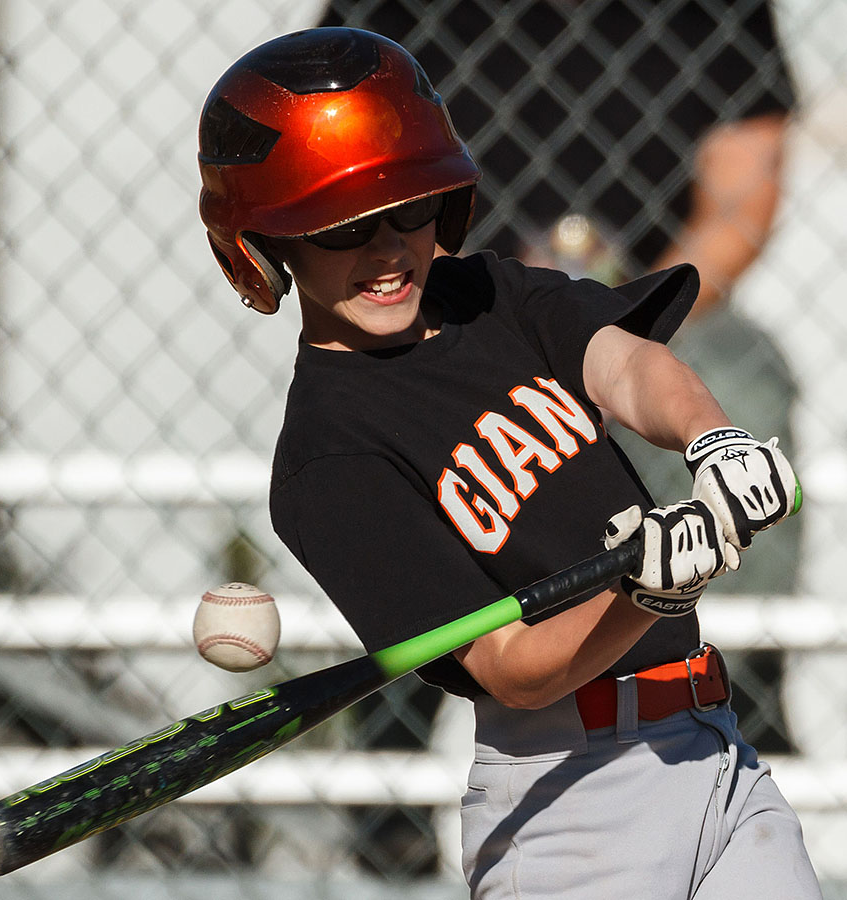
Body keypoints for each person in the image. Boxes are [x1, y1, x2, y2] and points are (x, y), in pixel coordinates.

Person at [196, 27, 820, 898]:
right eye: (341, 228)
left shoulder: (493, 294)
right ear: (265, 248)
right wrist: (646, 594)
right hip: (571, 806)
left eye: (407, 208)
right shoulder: (327, 461)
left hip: (716, 750)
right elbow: (510, 667)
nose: (385, 250)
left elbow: (623, 363)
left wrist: (712, 439)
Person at [319, 0, 802, 753]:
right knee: (408, 412)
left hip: (658, 290)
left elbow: (749, 175)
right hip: (455, 303)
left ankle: (752, 695)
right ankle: (394, 745)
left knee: (742, 373)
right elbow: (351, 172)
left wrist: (594, 315)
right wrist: (467, 301)